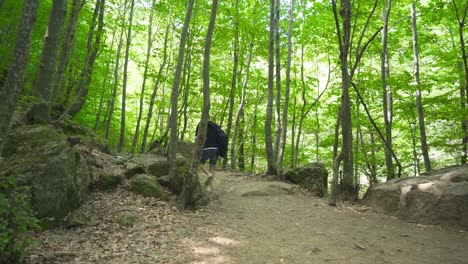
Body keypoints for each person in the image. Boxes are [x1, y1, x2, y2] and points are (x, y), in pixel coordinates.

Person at [195, 121, 221, 191]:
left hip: (206, 148)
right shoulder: (214, 126)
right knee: (212, 166)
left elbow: (197, 138)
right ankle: (209, 187)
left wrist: (196, 148)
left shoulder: (200, 125)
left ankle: (208, 174)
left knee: (199, 163)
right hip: (215, 149)